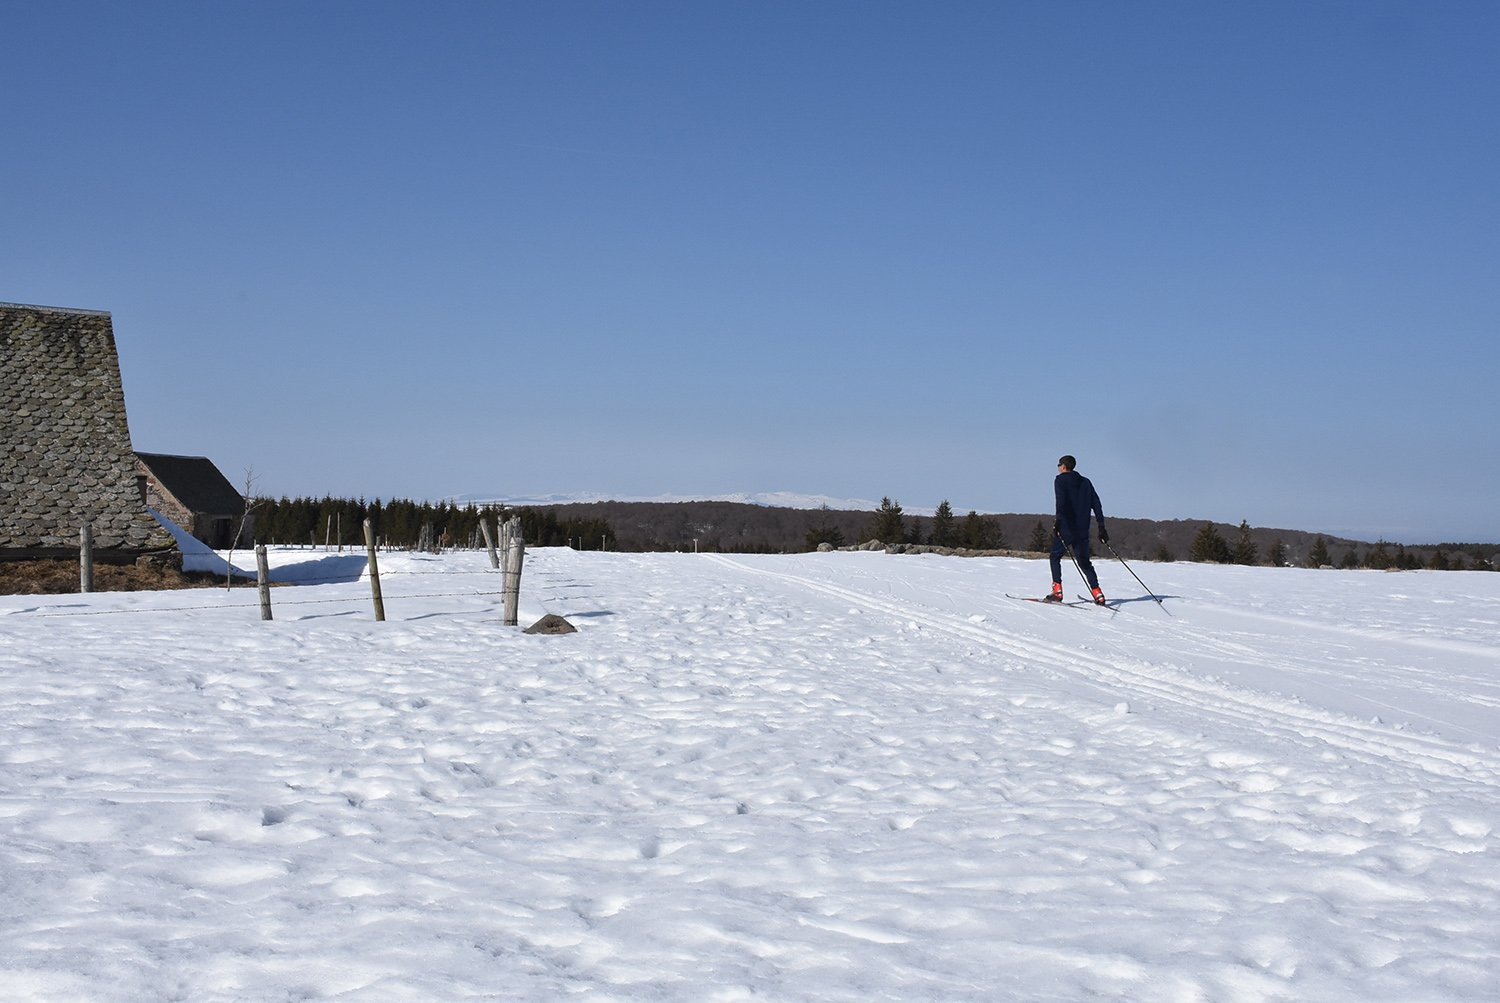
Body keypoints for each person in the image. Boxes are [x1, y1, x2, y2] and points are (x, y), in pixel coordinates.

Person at [1045, 455, 1108, 604]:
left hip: (1066, 528)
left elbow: (1061, 501)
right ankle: (1098, 593)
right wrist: (1101, 527)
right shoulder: (1086, 482)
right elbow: (1097, 504)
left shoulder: (1060, 480)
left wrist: (1058, 522)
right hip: (1082, 530)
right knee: (1084, 562)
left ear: (1064, 466)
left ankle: (1057, 592)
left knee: (1055, 556)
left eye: (1059, 465)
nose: (1058, 467)